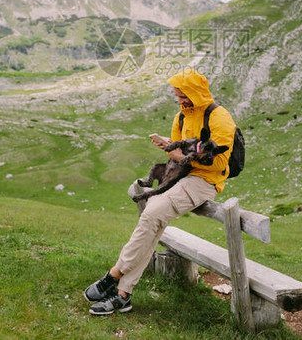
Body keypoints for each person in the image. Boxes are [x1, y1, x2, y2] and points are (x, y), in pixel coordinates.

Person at [83, 69, 237, 315]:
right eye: (177, 96)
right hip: (180, 177)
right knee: (153, 223)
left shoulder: (220, 118)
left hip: (204, 182)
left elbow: (220, 164)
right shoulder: (181, 117)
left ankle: (115, 274)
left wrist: (183, 157)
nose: (179, 100)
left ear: (196, 93)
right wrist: (169, 147)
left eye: (183, 95)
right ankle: (123, 295)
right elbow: (176, 155)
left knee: (152, 213)